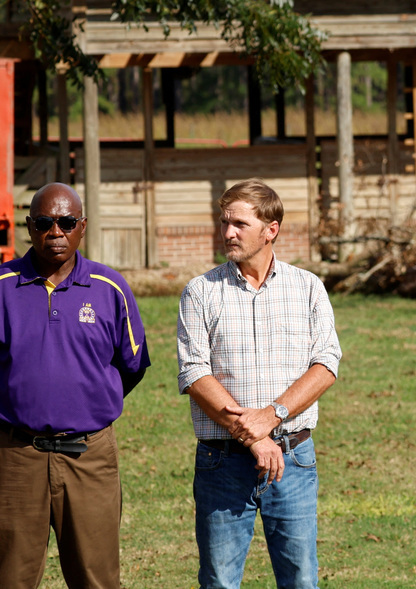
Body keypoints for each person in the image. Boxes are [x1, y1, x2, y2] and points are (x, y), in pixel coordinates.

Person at [177, 179, 342, 589]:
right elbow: (195, 373)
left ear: (272, 229)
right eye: (224, 222)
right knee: (218, 581)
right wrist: (254, 438)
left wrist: (272, 417)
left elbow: (326, 364)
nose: (228, 232)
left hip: (294, 458)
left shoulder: (307, 288)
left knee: (301, 580)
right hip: (223, 463)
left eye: (239, 224)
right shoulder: (200, 292)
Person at [0, 182, 149, 589]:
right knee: (9, 576)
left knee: (96, 577)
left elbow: (131, 367)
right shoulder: (2, 286)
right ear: (29, 228)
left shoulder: (109, 288)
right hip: (15, 456)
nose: (56, 232)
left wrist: (85, 403)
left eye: (66, 222)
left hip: (90, 456)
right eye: (45, 223)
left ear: (82, 226)